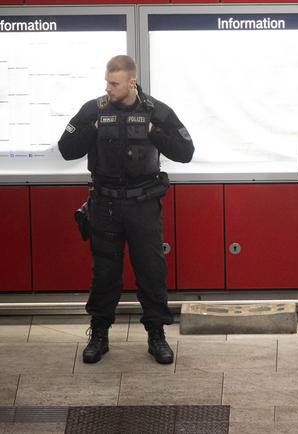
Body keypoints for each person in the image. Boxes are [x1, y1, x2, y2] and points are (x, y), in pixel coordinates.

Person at [58, 55, 194, 364]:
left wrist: (153, 131)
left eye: (114, 83)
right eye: (107, 81)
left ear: (131, 82)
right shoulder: (95, 109)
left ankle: (156, 335)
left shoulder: (156, 111)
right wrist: (92, 128)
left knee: (151, 271)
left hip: (143, 205)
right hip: (105, 205)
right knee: (104, 272)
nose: (107, 88)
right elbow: (66, 149)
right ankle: (100, 334)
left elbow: (186, 151)